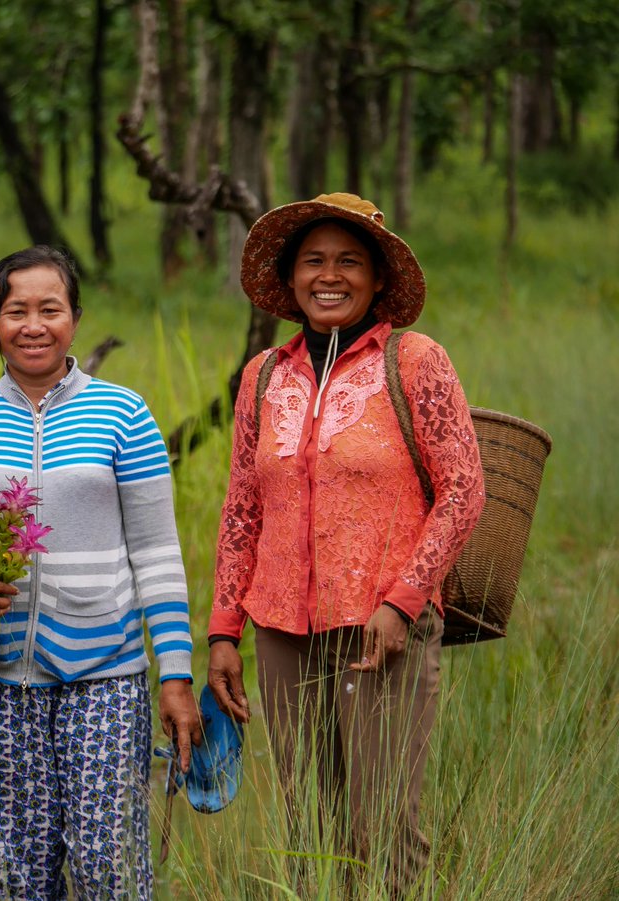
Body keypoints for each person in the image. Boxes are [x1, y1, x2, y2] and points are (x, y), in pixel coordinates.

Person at [0, 245, 201, 900]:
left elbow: (156, 551)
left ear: (75, 318)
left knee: (106, 866)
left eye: (50, 309)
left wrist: (175, 673)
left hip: (108, 674)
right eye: (16, 311)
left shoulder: (124, 414)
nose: (33, 325)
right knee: (16, 874)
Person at [207, 193, 485, 893]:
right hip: (280, 627)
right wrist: (221, 630)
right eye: (314, 261)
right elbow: (243, 506)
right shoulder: (264, 376)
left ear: (377, 279)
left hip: (381, 628)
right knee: (312, 826)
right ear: (292, 278)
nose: (330, 276)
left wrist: (404, 599)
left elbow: (463, 491)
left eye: (349, 261)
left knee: (385, 825)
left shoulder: (416, 361)